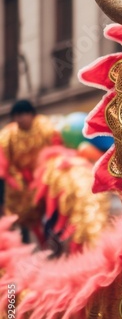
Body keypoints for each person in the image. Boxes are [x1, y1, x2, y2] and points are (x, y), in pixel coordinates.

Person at [0, 99, 61, 242]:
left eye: (21, 115)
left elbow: (57, 152)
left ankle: (54, 239)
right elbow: (3, 165)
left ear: (31, 114)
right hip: (20, 186)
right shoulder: (7, 136)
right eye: (16, 116)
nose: (18, 119)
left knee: (52, 211)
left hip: (46, 179)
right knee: (21, 219)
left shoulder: (46, 127)